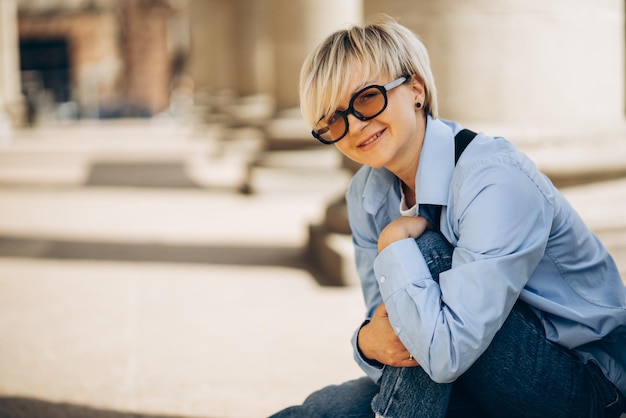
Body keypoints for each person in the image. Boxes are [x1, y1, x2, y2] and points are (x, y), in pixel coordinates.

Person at [270, 16, 626, 418]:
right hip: (464, 370)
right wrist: (366, 342)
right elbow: (393, 328)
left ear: (416, 90)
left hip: (584, 385)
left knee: (426, 256)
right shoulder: (367, 195)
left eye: (367, 98)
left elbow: (444, 353)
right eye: (333, 121)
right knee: (316, 412)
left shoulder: (492, 178)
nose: (354, 126)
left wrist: (393, 245)